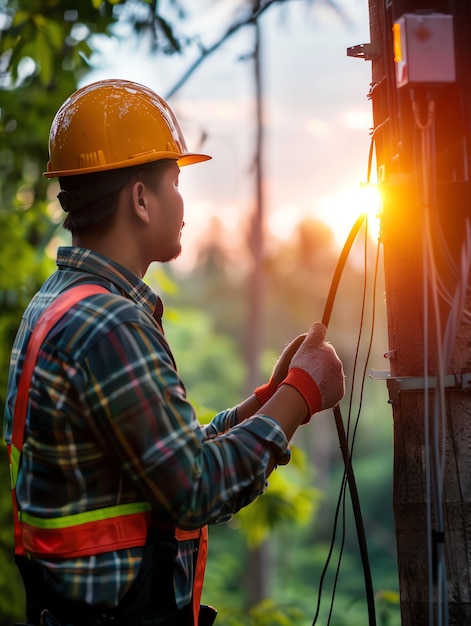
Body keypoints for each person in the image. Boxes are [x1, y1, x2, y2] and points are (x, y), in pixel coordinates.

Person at [3, 79, 345, 626]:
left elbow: (157, 464)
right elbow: (194, 488)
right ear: (141, 199)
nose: (184, 203)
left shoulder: (57, 305)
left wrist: (265, 402)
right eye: (176, 182)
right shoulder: (111, 325)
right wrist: (302, 395)